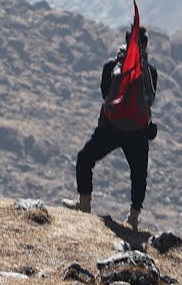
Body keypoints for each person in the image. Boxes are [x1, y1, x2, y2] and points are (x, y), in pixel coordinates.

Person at [67, 25, 158, 230]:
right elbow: (149, 101)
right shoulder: (150, 72)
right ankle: (133, 218)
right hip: (137, 133)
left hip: (111, 128)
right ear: (145, 45)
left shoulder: (111, 66)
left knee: (85, 158)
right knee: (138, 174)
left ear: (126, 42)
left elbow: (105, 94)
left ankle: (84, 204)